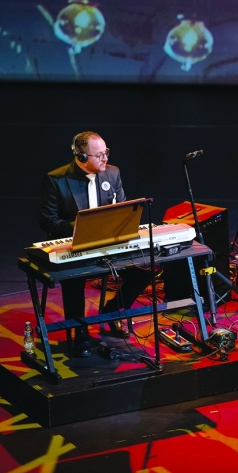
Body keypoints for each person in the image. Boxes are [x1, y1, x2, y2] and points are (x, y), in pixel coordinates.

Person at [38, 132, 151, 357]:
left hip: (108, 243)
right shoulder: (57, 179)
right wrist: (81, 227)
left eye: (106, 153)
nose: (105, 159)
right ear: (81, 157)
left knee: (143, 271)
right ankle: (80, 332)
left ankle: (113, 311)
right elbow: (47, 220)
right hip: (75, 245)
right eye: (98, 155)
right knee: (74, 281)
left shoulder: (113, 173)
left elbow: (122, 209)